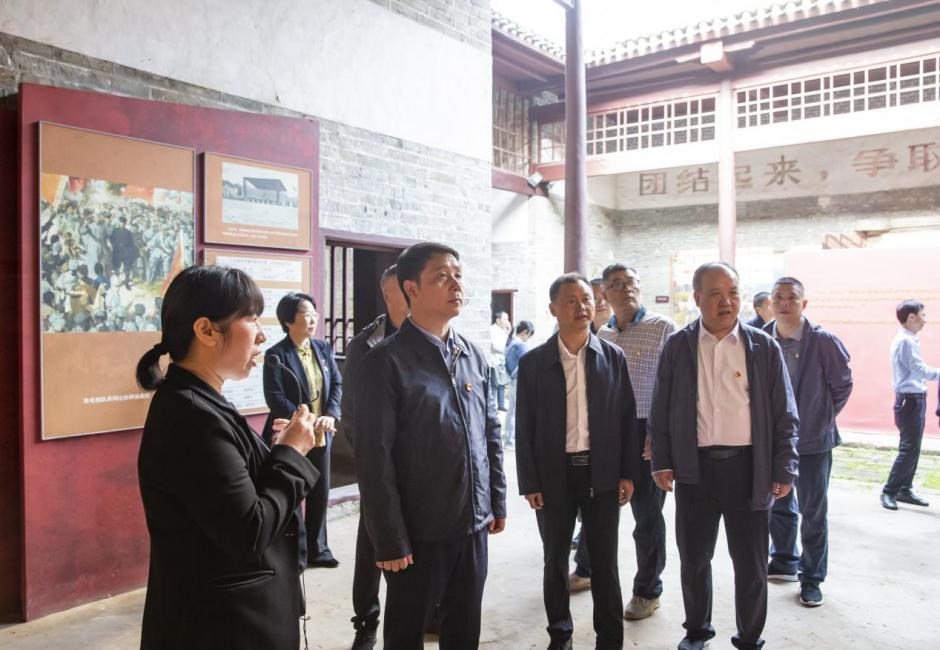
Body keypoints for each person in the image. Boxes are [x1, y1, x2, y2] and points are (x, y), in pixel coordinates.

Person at [136, 265, 319, 649]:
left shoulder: (200, 401)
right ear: (206, 330)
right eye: (251, 319)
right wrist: (290, 454)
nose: (263, 334)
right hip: (220, 626)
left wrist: (273, 451)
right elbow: (249, 530)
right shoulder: (191, 415)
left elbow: (229, 495)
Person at [354, 242, 507, 649]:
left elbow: (489, 432)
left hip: (472, 522)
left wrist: (495, 499)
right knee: (407, 632)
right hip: (417, 531)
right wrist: (389, 537)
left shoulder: (472, 354)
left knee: (464, 629)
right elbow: (374, 459)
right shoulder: (384, 362)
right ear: (412, 289)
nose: (456, 284)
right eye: (442, 276)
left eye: (458, 275)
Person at [649, 262, 799, 650]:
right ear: (697, 298)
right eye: (715, 293)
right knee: (694, 559)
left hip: (749, 470)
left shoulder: (762, 347)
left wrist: (784, 466)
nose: (726, 301)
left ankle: (749, 637)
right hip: (694, 470)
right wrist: (661, 460)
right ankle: (697, 631)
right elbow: (659, 408)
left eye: (732, 292)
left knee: (750, 563)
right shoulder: (678, 346)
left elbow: (785, 413)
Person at [516, 273, 639, 650]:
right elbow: (524, 427)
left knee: (605, 563)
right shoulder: (534, 362)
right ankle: (560, 635)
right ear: (553, 309)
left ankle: (610, 639)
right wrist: (530, 482)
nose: (581, 306)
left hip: (601, 475)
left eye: (587, 298)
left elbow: (627, 419)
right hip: (553, 477)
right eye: (570, 300)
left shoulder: (612, 357)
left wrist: (627, 473)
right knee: (554, 561)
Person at [572, 264, 677, 620]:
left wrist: (659, 435)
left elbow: (673, 386)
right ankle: (586, 569)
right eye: (616, 284)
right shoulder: (603, 332)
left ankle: (648, 590)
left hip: (648, 430)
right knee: (600, 507)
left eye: (631, 282)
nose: (626, 288)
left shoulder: (662, 327)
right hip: (611, 432)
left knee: (647, 516)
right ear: (604, 294)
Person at [764, 277, 852, 608]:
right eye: (778, 297)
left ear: (804, 303)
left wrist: (820, 416)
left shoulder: (823, 341)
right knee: (778, 501)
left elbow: (842, 386)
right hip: (774, 441)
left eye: (792, 297)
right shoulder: (760, 339)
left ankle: (812, 577)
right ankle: (784, 559)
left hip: (814, 442)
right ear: (771, 303)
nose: (784, 303)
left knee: (813, 510)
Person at [342, 264, 409, 650]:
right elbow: (352, 412)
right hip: (379, 466)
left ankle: (428, 612)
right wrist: (370, 459)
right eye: (405, 288)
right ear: (388, 295)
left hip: (421, 468)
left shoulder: (428, 337)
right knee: (372, 545)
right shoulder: (365, 345)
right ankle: (366, 621)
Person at [263, 292, 343, 568]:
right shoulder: (276, 355)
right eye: (305, 315)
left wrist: (330, 415)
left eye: (314, 314)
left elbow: (337, 385)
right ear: (288, 320)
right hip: (293, 435)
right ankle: (295, 554)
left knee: (321, 491)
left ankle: (318, 550)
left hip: (322, 433)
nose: (312, 320)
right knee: (294, 494)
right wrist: (306, 420)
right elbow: (275, 397)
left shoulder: (323, 348)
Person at [881, 299, 939, 510]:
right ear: (911, 317)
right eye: (922, 316)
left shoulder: (909, 339)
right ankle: (889, 491)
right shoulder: (905, 341)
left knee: (913, 448)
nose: (925, 320)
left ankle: (904, 489)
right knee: (908, 448)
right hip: (910, 401)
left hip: (914, 399)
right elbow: (918, 368)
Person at [503, 320, 535, 449]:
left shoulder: (510, 342)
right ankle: (510, 440)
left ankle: (509, 438)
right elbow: (530, 363)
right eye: (529, 335)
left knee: (512, 410)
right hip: (519, 380)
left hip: (512, 380)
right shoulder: (520, 346)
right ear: (526, 332)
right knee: (516, 411)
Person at [490, 311, 512, 410]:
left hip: (501, 361)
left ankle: (501, 405)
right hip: (494, 361)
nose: (507, 321)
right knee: (494, 384)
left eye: (507, 319)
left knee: (502, 383)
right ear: (498, 320)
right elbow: (494, 346)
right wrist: (506, 350)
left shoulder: (503, 330)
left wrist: (508, 331)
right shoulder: (493, 330)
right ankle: (493, 406)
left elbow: (507, 342)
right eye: (505, 319)